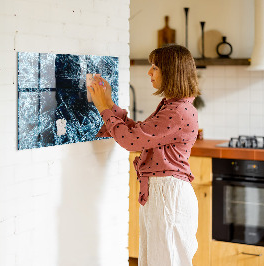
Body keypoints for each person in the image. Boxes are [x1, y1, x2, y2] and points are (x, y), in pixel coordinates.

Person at [88, 44, 200, 266]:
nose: (149, 72)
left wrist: (103, 108)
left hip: (168, 195)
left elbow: (131, 141)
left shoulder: (177, 111)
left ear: (171, 72)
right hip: (163, 193)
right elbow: (139, 133)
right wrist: (109, 103)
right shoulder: (173, 106)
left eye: (155, 67)